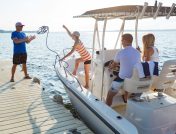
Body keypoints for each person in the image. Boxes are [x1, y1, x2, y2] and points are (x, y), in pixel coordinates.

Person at [106, 33, 141, 106]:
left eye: (122, 40)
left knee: (109, 95)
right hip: (132, 79)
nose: (121, 42)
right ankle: (125, 100)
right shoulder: (138, 53)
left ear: (125, 41)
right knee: (127, 87)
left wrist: (110, 67)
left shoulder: (120, 52)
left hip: (122, 79)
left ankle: (107, 109)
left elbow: (114, 65)